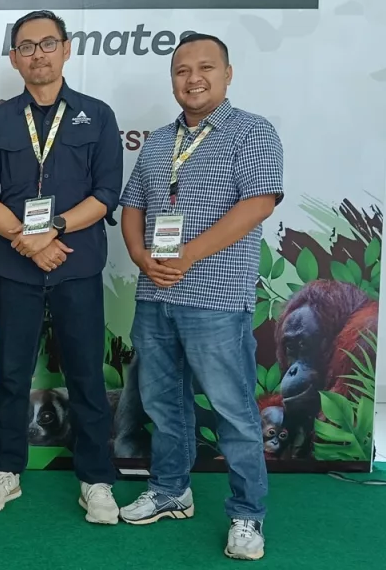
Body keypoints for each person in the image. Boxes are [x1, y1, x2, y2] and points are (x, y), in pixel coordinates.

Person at [117, 33, 283, 561]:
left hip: (215, 298)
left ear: (228, 74)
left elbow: (258, 204)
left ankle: (247, 515)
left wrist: (187, 254)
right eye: (182, 70)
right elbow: (134, 207)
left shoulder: (253, 132)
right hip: (155, 294)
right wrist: (143, 257)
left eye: (205, 68)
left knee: (233, 412)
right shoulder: (159, 141)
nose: (193, 79)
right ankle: (170, 491)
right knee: (164, 405)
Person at [0, 9, 122, 522]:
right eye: (27, 46)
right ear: (15, 58)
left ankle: (96, 479)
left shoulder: (96, 115)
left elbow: (106, 195)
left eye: (48, 43)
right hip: (17, 269)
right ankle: (6, 472)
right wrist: (27, 240)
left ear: (66, 48)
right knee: (12, 375)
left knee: (85, 375)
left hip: (75, 265)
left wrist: (52, 230)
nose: (38, 54)